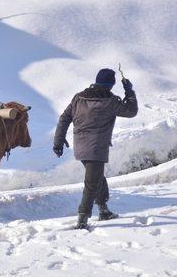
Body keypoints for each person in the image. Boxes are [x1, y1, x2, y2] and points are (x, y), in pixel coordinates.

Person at [53, 68, 138, 229]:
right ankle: (82, 219)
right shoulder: (110, 102)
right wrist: (130, 92)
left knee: (97, 177)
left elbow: (64, 118)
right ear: (111, 85)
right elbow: (131, 111)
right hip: (96, 148)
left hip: (80, 147)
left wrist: (58, 140)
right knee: (92, 183)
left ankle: (104, 210)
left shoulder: (79, 97)